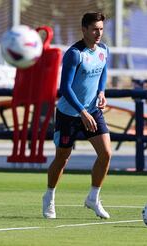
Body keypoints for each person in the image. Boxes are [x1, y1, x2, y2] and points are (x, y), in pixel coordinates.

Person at [42, 12, 111, 219]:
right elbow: (65, 88)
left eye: (101, 29)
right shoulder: (74, 54)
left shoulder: (103, 50)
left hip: (92, 111)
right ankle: (49, 197)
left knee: (106, 153)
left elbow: (103, 70)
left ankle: (93, 198)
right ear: (84, 30)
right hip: (70, 114)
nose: (98, 33)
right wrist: (81, 112)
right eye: (94, 29)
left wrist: (101, 91)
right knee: (62, 158)